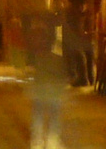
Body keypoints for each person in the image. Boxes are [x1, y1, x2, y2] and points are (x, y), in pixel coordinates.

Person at [24, 10, 67, 149]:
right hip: (52, 77)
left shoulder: (32, 30)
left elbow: (30, 60)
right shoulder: (50, 28)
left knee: (39, 110)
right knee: (53, 110)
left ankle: (37, 141)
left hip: (41, 79)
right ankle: (51, 141)